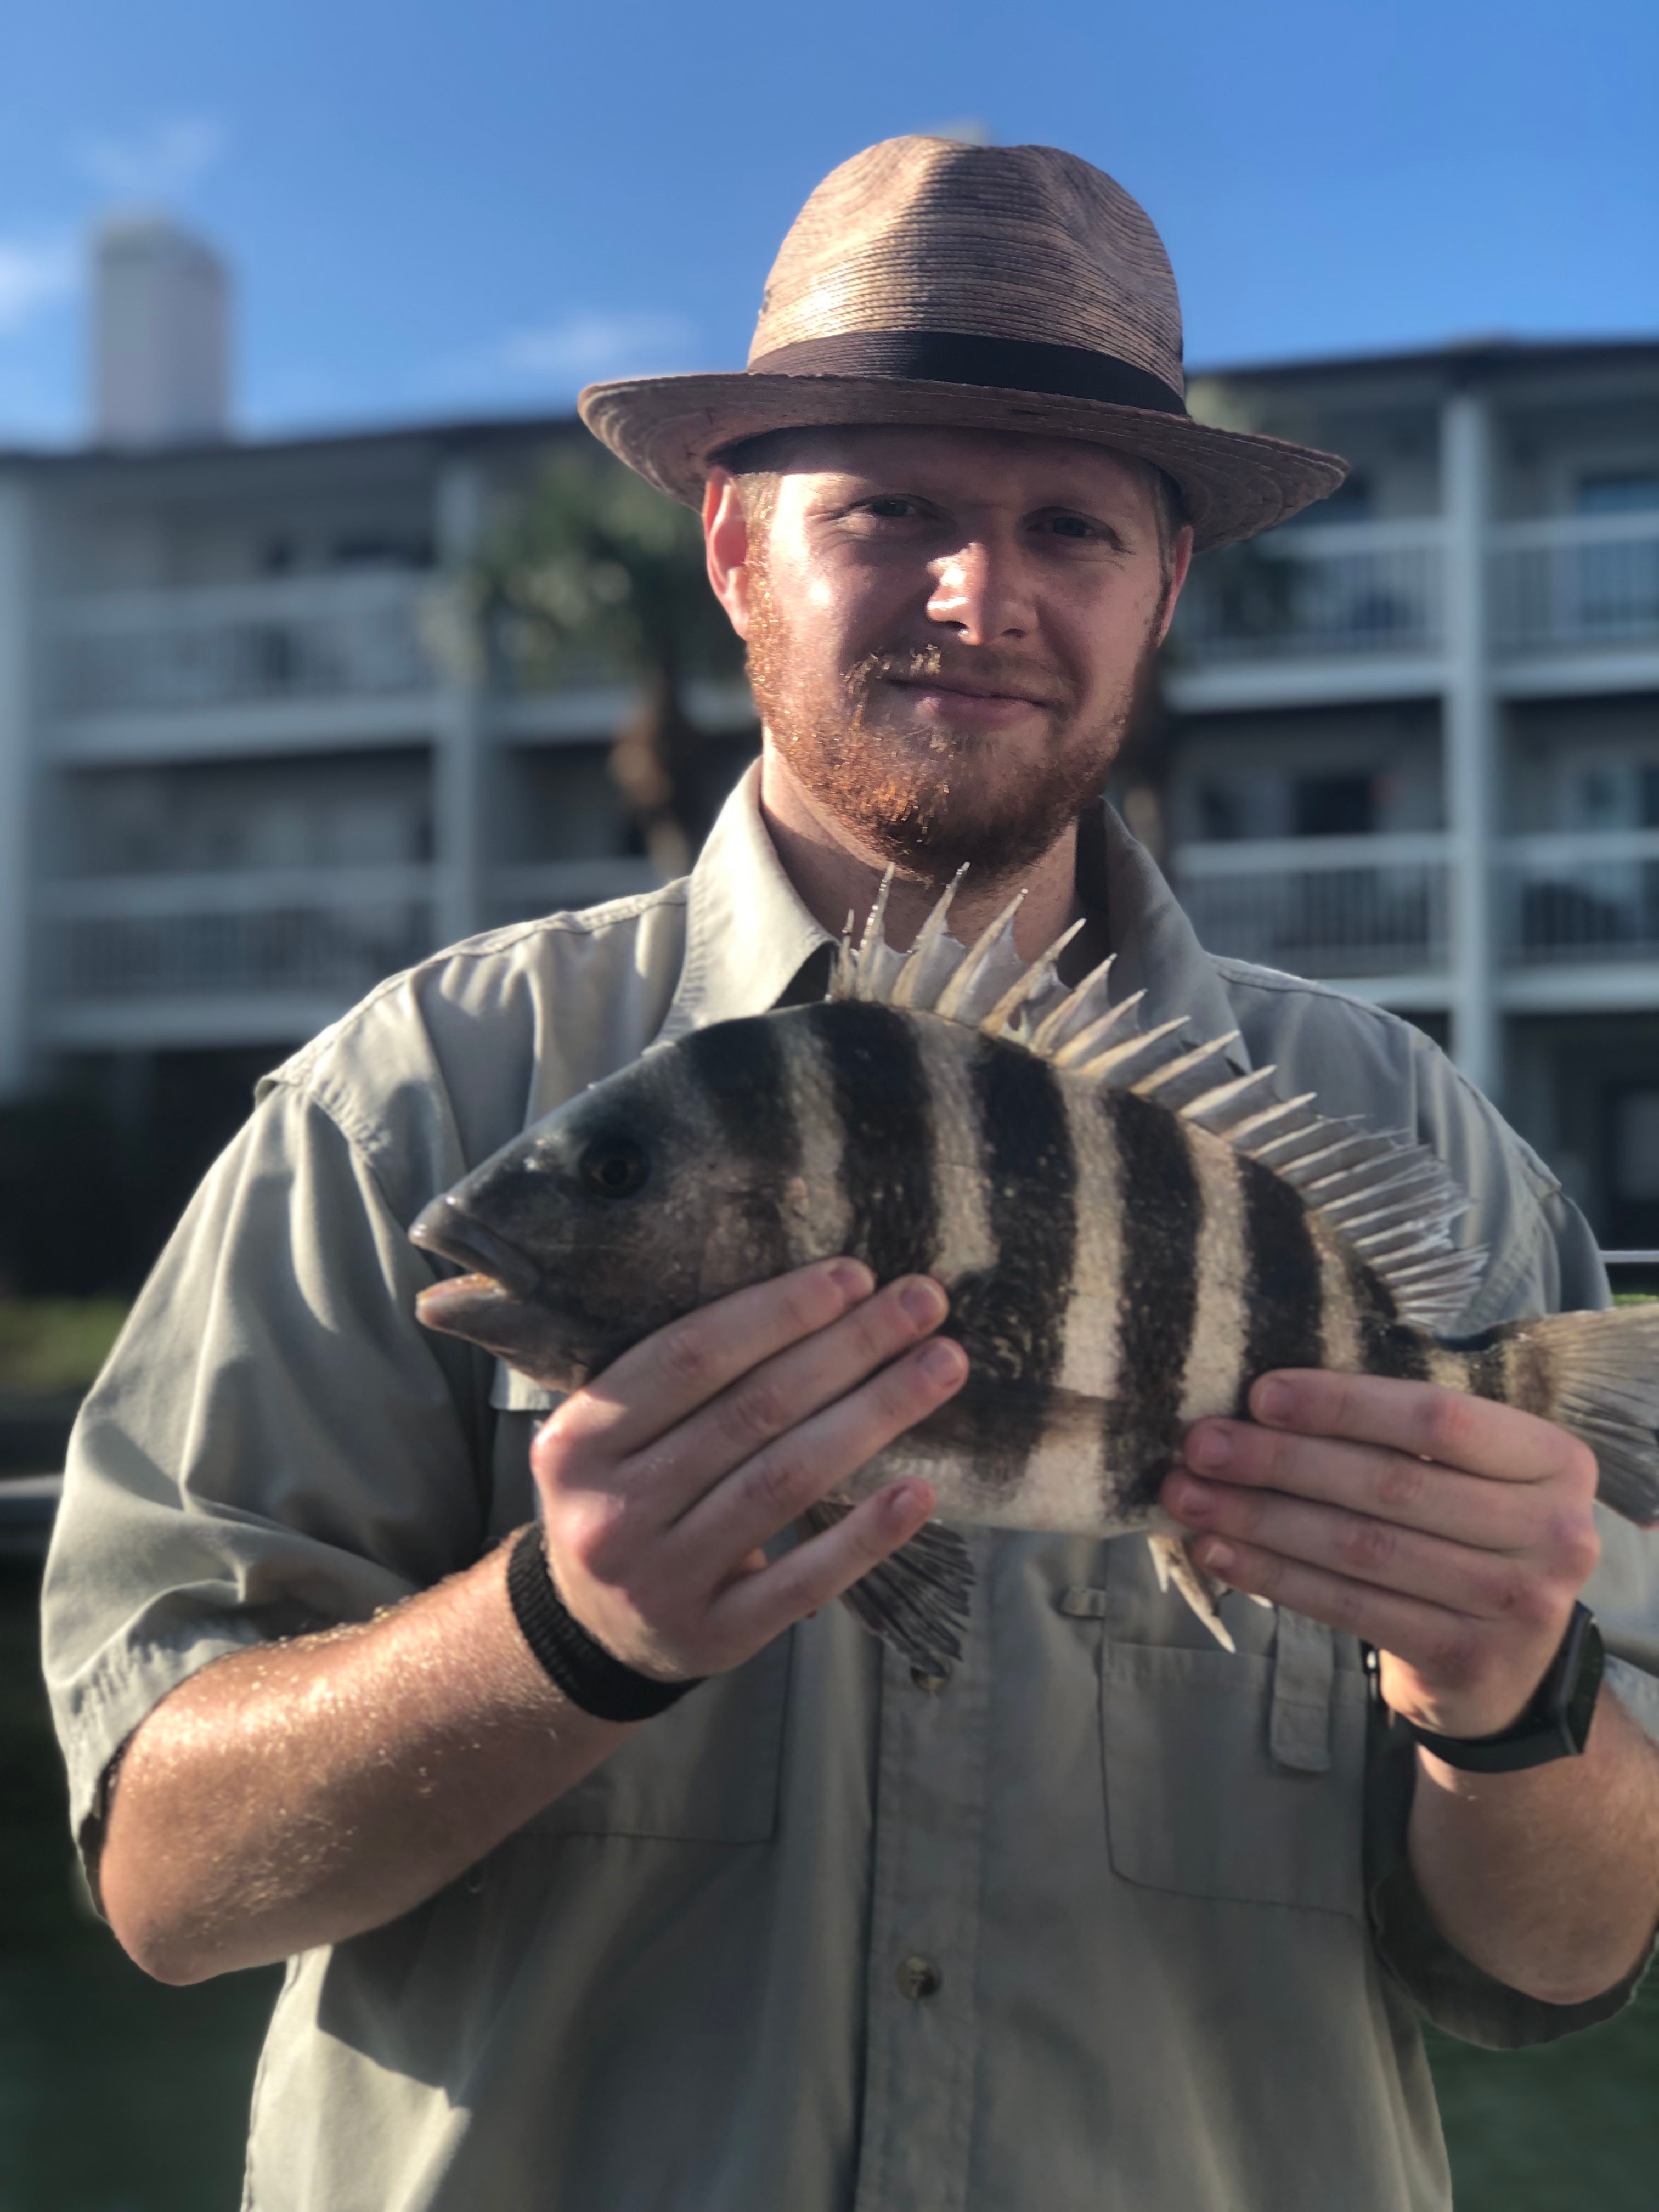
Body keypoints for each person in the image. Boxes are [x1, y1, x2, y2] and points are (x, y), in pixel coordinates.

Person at [42, 137, 1659, 2212]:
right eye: (887, 508)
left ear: (1166, 584)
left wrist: (1511, 1696)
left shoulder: (1409, 1151)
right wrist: (558, 1630)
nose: (980, 595)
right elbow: (165, 1879)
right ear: (734, 548)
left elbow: (1569, 1952)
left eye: (1070, 526)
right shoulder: (407, 1112)